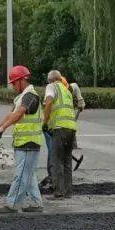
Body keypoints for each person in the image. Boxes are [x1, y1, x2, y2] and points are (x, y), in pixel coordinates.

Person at [0, 65, 44, 214]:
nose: (14, 86)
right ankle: (36, 203)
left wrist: (3, 129)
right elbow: (11, 115)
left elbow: (19, 114)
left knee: (21, 174)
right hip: (24, 143)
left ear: (22, 80)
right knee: (29, 174)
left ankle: (12, 204)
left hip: (29, 142)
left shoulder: (30, 96)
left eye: (15, 83)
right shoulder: (22, 97)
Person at [42, 69, 78, 198]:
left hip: (59, 128)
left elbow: (49, 102)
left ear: (50, 80)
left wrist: (45, 122)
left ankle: (58, 192)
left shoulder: (51, 87)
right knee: (67, 161)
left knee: (56, 160)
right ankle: (68, 192)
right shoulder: (66, 90)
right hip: (71, 128)